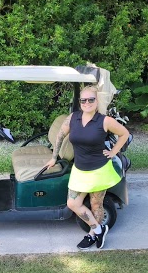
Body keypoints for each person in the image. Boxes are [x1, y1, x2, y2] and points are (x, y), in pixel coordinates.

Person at [42, 85, 131, 250]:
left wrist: (113, 151)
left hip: (99, 170)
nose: (87, 102)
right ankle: (99, 229)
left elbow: (124, 134)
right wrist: (54, 158)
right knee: (73, 203)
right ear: (80, 101)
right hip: (80, 170)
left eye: (91, 99)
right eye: (83, 100)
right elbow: (60, 136)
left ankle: (92, 235)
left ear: (97, 101)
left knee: (96, 205)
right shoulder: (73, 118)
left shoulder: (104, 121)